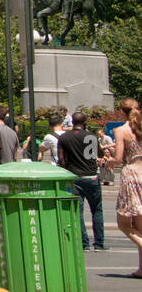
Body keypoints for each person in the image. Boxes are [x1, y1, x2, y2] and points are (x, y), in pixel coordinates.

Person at [57, 112, 106, 252]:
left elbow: (61, 160)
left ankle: (84, 243)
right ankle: (99, 243)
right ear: (85, 121)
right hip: (91, 176)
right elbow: (100, 154)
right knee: (96, 209)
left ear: (72, 121)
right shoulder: (91, 136)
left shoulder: (65, 137)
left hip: (74, 176)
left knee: (78, 211)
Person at [112, 104, 142, 278]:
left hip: (131, 175)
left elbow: (118, 158)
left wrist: (108, 160)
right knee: (139, 226)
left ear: (122, 112)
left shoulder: (121, 130)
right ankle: (141, 269)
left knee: (123, 224)